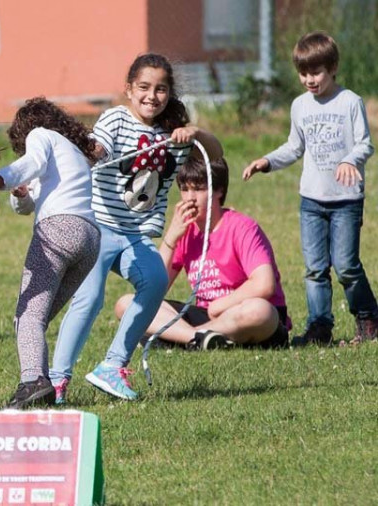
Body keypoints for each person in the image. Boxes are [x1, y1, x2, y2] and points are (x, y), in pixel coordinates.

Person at [50, 53, 223, 402]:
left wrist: (197, 133)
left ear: (169, 93)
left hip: (135, 234)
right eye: (144, 87)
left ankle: (113, 366)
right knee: (89, 298)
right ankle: (56, 381)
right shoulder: (115, 119)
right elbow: (96, 149)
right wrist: (85, 154)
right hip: (97, 227)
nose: (152, 96)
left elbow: (216, 154)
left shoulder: (174, 134)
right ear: (129, 89)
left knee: (156, 280)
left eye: (161, 89)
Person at [243, 31, 378, 347]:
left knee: (345, 266)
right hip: (311, 201)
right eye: (303, 73)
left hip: (345, 200)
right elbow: (294, 147)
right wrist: (267, 161)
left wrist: (349, 160)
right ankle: (320, 327)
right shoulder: (300, 106)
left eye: (315, 72)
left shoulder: (350, 102)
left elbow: (365, 144)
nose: (309, 79)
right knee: (315, 269)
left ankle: (368, 316)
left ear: (332, 68)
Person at [0, 98, 101, 409]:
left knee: (28, 316)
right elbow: (27, 203)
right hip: (89, 240)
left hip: (58, 230)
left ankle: (33, 381)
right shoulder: (73, 153)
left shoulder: (41, 136)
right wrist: (20, 194)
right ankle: (41, 385)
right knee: (35, 319)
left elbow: (31, 163)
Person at [115, 156, 291, 351]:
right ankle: (197, 338)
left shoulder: (242, 227)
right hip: (206, 316)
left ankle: (181, 338)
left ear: (219, 191)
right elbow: (154, 288)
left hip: (244, 313)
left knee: (260, 311)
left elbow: (263, 285)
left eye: (199, 189)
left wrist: (220, 305)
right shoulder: (185, 232)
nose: (190, 197)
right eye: (185, 189)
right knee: (127, 304)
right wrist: (171, 239)